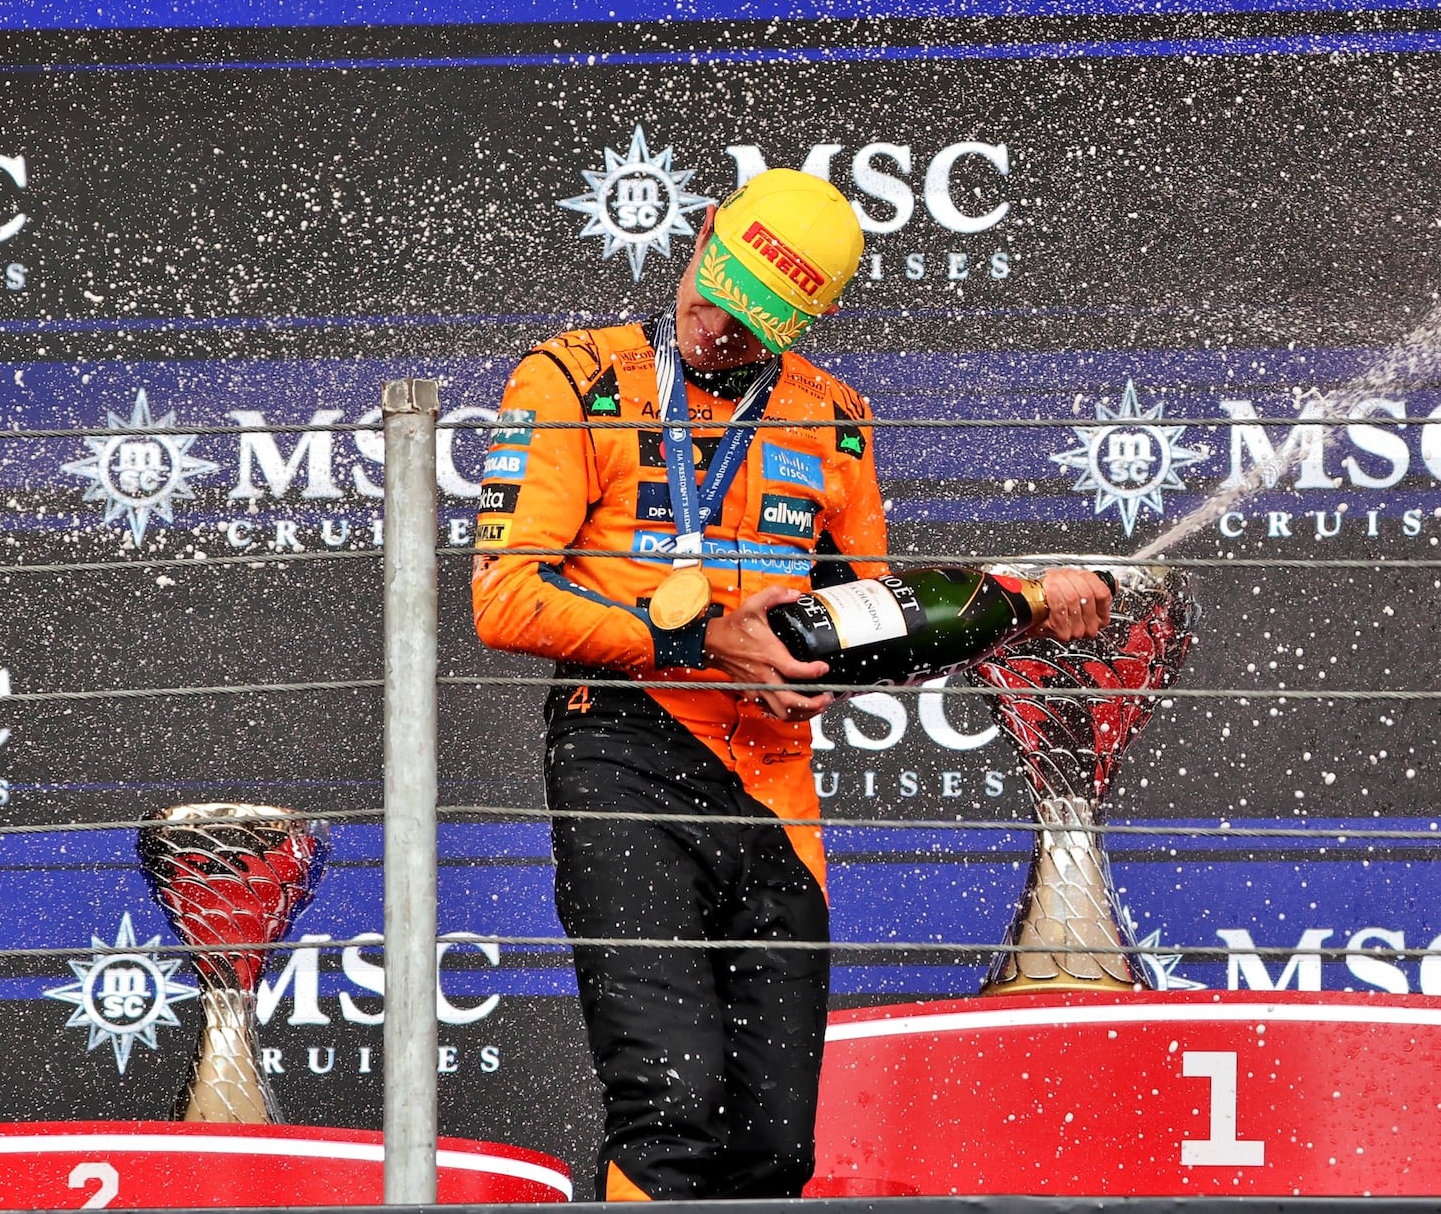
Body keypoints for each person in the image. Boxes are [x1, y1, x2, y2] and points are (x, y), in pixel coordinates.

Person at [471, 168, 1111, 1201]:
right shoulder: (573, 377)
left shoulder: (834, 416)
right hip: (623, 756)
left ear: (805, 318)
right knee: (670, 1110)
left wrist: (1025, 596)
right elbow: (504, 596)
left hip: (775, 788)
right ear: (702, 234)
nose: (716, 326)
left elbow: (876, 620)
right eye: (712, 292)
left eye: (751, 320)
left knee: (775, 1147)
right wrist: (696, 646)